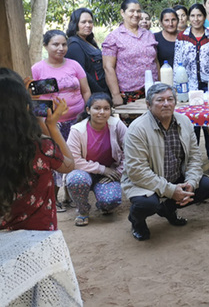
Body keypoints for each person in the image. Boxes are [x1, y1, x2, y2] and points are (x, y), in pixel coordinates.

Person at [121, 83, 209, 241]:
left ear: (175, 102)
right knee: (147, 204)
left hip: (175, 177)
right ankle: (136, 221)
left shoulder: (184, 121)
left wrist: (191, 182)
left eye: (170, 99)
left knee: (207, 187)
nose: (166, 104)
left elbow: (194, 156)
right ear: (148, 104)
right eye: (160, 100)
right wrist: (171, 190)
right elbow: (137, 172)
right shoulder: (137, 129)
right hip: (144, 182)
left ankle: (167, 209)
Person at [0, 69, 74, 231]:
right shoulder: (41, 147)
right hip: (39, 233)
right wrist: (51, 126)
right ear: (25, 107)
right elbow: (68, 165)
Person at [33, 30, 92, 210]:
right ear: (46, 46)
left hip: (77, 120)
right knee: (55, 157)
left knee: (75, 156)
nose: (60, 48)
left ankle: (71, 194)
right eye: (55, 44)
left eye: (64, 44)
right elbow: (35, 98)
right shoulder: (38, 69)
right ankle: (54, 197)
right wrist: (47, 121)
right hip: (53, 123)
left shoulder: (74, 65)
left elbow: (86, 91)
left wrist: (84, 112)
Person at [174, 3, 209, 172]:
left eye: (199, 16)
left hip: (208, 86)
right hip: (189, 86)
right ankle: (193, 160)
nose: (196, 19)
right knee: (191, 124)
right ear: (189, 18)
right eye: (193, 16)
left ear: (204, 17)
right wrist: (177, 86)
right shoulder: (182, 37)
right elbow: (177, 63)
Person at [65, 93, 126, 226]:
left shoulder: (117, 125)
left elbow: (131, 151)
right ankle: (83, 211)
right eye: (97, 108)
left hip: (109, 172)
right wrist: (103, 170)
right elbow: (74, 160)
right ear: (88, 110)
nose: (102, 112)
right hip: (84, 171)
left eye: (106, 108)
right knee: (76, 180)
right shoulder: (77, 130)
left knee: (111, 201)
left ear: (111, 110)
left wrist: (119, 172)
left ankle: (103, 205)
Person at [102, 0, 159, 106]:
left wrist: (161, 86)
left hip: (153, 91)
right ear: (122, 13)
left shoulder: (148, 34)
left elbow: (155, 62)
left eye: (138, 11)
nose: (136, 14)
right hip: (129, 94)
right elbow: (108, 67)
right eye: (132, 11)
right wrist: (116, 95)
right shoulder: (114, 37)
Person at [66, 8, 108, 94]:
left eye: (90, 22)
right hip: (94, 93)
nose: (88, 25)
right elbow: (82, 74)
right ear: (75, 24)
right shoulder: (74, 45)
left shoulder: (88, 41)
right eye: (83, 22)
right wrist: (101, 93)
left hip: (103, 89)